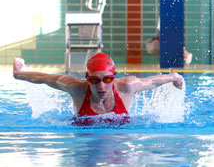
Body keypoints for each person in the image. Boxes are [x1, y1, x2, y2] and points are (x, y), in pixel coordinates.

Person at [13, 52, 184, 125]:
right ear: (87, 78)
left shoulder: (126, 87)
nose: (101, 86)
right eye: (95, 80)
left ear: (114, 77)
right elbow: (45, 78)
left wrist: (173, 77)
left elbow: (152, 81)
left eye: (107, 79)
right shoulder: (77, 88)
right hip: (84, 143)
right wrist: (19, 74)